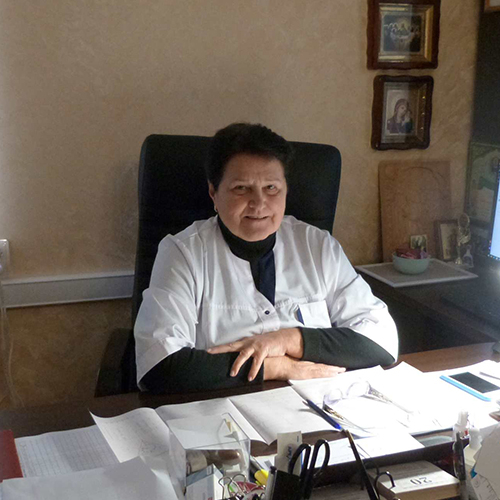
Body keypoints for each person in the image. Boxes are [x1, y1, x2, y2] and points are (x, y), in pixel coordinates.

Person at [134, 123, 398, 394]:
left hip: (321, 405)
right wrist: (275, 367)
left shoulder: (318, 246)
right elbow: (159, 366)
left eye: (271, 187)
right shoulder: (182, 253)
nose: (259, 203)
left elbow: (383, 340)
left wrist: (288, 340)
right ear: (214, 193)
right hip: (223, 409)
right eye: (241, 188)